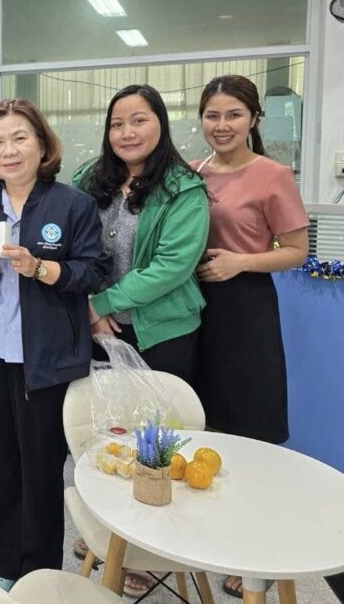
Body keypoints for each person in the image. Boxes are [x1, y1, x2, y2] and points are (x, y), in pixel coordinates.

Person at [0, 100, 107, 590]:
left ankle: (41, 572)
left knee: (41, 470)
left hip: (46, 361)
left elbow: (93, 270)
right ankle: (3, 565)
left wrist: (41, 268)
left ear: (42, 145)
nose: (8, 150)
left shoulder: (73, 204)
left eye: (20, 138)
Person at [72, 83, 210, 598]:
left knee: (155, 440)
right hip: (94, 326)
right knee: (102, 433)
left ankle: (150, 546)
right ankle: (106, 530)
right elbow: (69, 245)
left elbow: (173, 265)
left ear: (160, 124)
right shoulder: (90, 179)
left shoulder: (183, 189)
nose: (127, 132)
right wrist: (89, 308)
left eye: (139, 120)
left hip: (160, 331)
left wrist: (102, 303)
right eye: (117, 123)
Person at [191, 74, 309, 599]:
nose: (222, 125)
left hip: (245, 309)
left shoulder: (272, 175)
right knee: (204, 423)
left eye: (233, 115)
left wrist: (241, 262)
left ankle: (254, 551)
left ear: (254, 119)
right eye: (212, 115)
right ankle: (205, 538)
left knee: (249, 430)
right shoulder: (193, 172)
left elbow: (297, 250)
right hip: (194, 308)